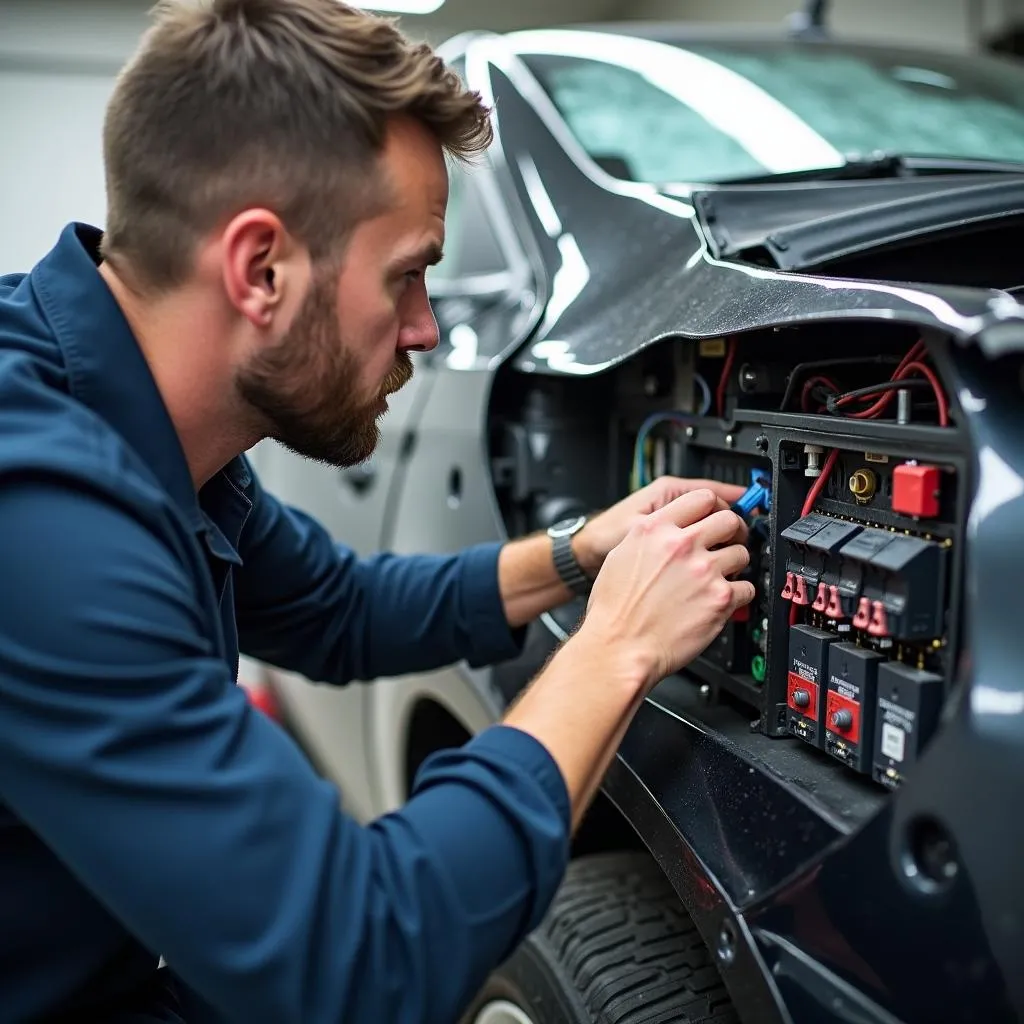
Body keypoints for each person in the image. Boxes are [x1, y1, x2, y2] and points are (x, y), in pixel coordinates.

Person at [0, 1, 754, 1021]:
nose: (427, 328)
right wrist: (616, 645)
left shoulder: (152, 424)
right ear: (260, 269)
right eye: (407, 275)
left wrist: (585, 553)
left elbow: (341, 610)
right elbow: (356, 958)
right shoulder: (39, 507)